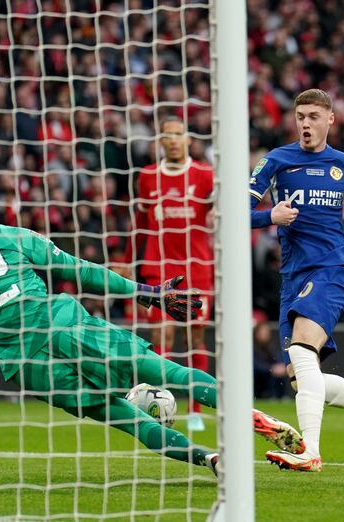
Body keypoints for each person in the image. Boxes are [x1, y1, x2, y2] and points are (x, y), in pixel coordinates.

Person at [0, 167, 305, 476]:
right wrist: (148, 293)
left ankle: (212, 460)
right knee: (163, 370)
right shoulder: (9, 236)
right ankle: (247, 416)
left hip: (24, 364)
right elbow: (82, 270)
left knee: (124, 417)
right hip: (59, 322)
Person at [249, 88, 344, 472]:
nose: (306, 124)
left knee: (301, 352)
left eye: (314, 116)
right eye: (300, 117)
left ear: (331, 119)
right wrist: (269, 217)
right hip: (292, 277)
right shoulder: (276, 161)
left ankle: (310, 452)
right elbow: (235, 210)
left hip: (330, 270)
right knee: (302, 378)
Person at [128, 116, 214, 432]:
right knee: (161, 334)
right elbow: (140, 224)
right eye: (168, 135)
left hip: (198, 267)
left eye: (179, 135)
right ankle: (160, 401)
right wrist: (128, 261)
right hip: (158, 265)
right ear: (160, 141)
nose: (174, 140)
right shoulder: (148, 176)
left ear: (188, 139)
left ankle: (195, 410)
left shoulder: (205, 174)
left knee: (195, 337)